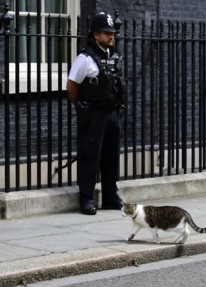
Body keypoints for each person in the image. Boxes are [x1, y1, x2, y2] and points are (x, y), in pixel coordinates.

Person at [66, 12, 126, 215]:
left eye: (112, 33)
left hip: (112, 113)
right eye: (106, 32)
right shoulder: (84, 59)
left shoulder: (114, 57)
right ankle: (86, 198)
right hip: (93, 114)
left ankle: (110, 196)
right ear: (95, 35)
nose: (111, 36)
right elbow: (72, 85)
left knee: (111, 156)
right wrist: (80, 107)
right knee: (90, 157)